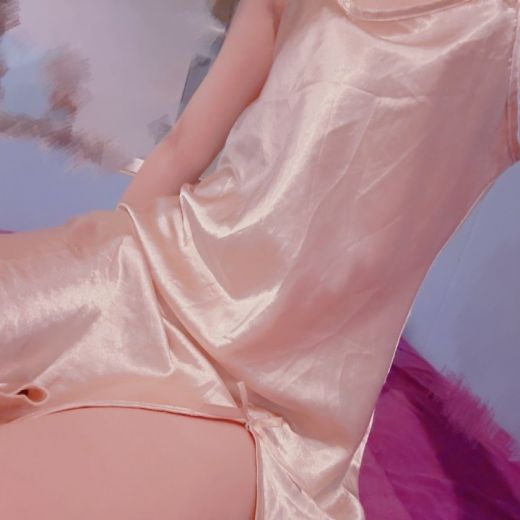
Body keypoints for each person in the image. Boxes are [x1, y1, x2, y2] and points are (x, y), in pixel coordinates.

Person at [1, 0, 519, 518]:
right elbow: (183, 148)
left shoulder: (502, 28)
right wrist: (107, 292)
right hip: (153, 269)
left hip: (270, 393)